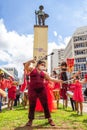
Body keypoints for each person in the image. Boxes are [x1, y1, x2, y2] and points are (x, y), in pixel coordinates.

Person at [24, 59, 62, 126]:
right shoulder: (32, 69)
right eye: (42, 64)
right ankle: (30, 120)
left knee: (45, 104)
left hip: (42, 89)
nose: (43, 66)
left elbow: (51, 79)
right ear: (38, 64)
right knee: (32, 105)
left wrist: (59, 81)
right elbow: (26, 66)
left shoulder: (44, 73)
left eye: (44, 65)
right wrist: (30, 61)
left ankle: (49, 119)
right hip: (32, 89)